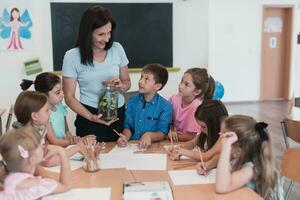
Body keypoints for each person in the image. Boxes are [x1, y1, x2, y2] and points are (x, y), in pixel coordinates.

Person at [62, 5, 131, 142]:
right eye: (100, 34)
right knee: (93, 159)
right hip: (90, 117)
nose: (106, 39)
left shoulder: (117, 49)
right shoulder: (72, 57)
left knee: (121, 158)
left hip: (119, 114)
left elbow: (127, 82)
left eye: (109, 33)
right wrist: (91, 117)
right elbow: (69, 97)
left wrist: (121, 86)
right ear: (88, 33)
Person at [216, 115, 283, 200]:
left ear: (238, 151)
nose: (219, 139)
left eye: (222, 137)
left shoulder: (251, 169)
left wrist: (226, 147)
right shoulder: (239, 159)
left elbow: (221, 187)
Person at [20, 72, 94, 147]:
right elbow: (54, 141)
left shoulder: (60, 107)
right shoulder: (43, 115)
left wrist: (74, 139)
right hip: (54, 150)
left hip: (64, 148)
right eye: (58, 92)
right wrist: (79, 140)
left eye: (62, 90)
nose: (62, 94)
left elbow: (67, 132)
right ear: (44, 95)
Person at [13, 91, 84, 167]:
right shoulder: (27, 138)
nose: (50, 113)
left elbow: (44, 152)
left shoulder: (36, 132)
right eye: (46, 110)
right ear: (34, 116)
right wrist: (77, 148)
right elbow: (47, 162)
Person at [0, 127, 72, 199]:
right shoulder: (37, 184)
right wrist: (61, 152)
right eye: (40, 145)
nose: (44, 146)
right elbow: (66, 186)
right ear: (32, 160)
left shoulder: (8, 179)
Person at [117, 63, 173, 149]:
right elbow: (128, 127)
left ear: (157, 86)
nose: (140, 81)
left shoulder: (165, 106)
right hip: (132, 147)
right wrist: (125, 137)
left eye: (146, 79)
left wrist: (149, 135)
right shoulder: (132, 101)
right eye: (141, 77)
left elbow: (162, 133)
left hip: (154, 148)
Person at [168, 100, 228, 174]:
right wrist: (179, 147)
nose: (201, 129)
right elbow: (193, 143)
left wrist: (183, 152)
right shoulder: (205, 133)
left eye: (203, 127)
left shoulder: (223, 138)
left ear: (215, 125)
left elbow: (206, 156)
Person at [168, 68, 215, 142]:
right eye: (181, 81)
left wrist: (168, 136)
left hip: (192, 145)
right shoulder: (173, 99)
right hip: (175, 142)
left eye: (186, 84)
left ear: (197, 92)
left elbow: (193, 136)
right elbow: (169, 122)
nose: (180, 86)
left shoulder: (197, 107)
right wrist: (172, 130)